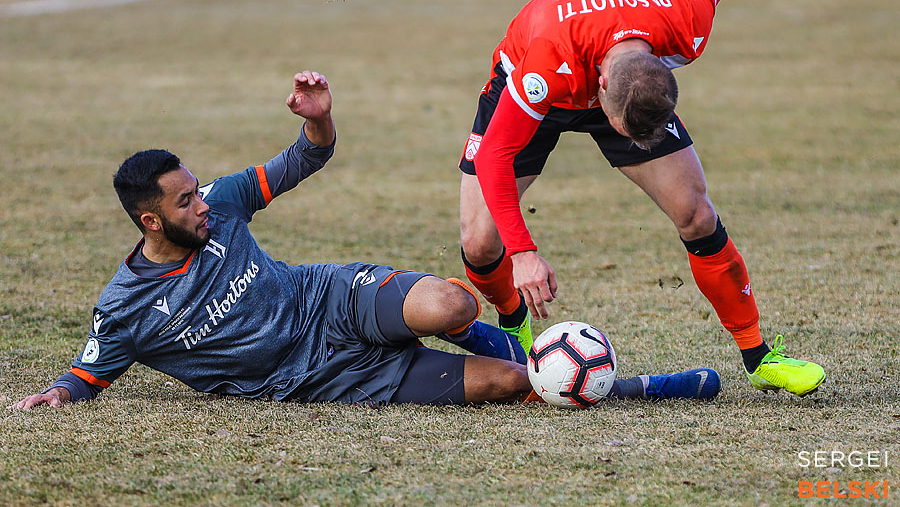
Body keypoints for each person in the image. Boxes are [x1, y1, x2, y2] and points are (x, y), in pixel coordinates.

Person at [11, 71, 720, 411]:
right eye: (185, 201)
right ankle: (635, 386)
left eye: (198, 191)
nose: (204, 204)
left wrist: (318, 119)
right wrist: (54, 397)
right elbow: (85, 373)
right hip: (316, 378)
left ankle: (527, 352)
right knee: (512, 385)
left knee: (452, 307)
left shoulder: (223, 206)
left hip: (329, 300)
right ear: (150, 222)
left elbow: (304, 159)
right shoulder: (127, 305)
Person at [457, 0, 825, 397]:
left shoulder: (683, 22)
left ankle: (759, 356)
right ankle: (515, 327)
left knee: (696, 213)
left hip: (624, 77)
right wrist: (523, 253)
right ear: (601, 90)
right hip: (538, 81)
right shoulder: (547, 63)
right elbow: (494, 156)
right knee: (482, 242)